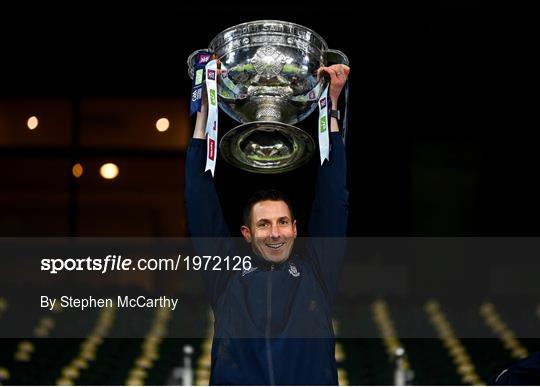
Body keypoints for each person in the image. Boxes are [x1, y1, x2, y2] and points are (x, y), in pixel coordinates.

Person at [185, 63, 350, 385]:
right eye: (264, 224)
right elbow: (198, 202)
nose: (275, 233)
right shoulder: (225, 275)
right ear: (247, 233)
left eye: (283, 222)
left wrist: (331, 104)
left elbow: (334, 200)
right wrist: (206, 106)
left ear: (295, 228)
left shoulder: (317, 270)